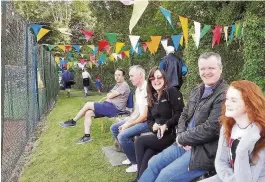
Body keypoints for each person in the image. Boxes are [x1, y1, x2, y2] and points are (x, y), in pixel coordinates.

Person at [139, 52, 228, 182]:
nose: (206, 72)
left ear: (220, 68)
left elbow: (212, 128)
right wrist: (181, 135)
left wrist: (183, 137)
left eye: (211, 68)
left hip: (204, 151)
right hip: (183, 142)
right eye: (202, 68)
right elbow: (183, 115)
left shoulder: (225, 94)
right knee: (153, 163)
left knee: (165, 176)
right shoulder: (197, 90)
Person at [200, 80, 265, 182]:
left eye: (233, 100)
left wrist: (242, 150)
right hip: (229, 177)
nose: (227, 103)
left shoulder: (260, 135)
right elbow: (221, 162)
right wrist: (230, 179)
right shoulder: (228, 126)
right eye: (227, 99)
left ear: (249, 105)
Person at [135, 67, 184, 180]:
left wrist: (166, 125)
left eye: (159, 77)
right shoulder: (152, 96)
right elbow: (149, 119)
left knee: (140, 141)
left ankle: (139, 178)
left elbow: (180, 113)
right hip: (158, 136)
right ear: (150, 81)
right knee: (148, 153)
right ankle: (141, 178)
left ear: (164, 78)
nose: (156, 81)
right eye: (153, 78)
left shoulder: (171, 91)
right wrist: (153, 126)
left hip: (172, 135)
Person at [60, 68, 130, 144]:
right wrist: (111, 94)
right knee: (88, 113)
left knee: (88, 104)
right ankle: (87, 136)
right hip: (108, 106)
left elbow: (110, 95)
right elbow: (109, 94)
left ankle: (73, 121)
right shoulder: (117, 85)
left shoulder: (124, 85)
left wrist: (111, 95)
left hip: (114, 108)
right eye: (115, 75)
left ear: (123, 76)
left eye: (119, 75)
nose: (117, 77)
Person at [110, 65, 150, 173]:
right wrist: (129, 120)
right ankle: (130, 154)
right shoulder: (137, 89)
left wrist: (128, 124)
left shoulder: (148, 88)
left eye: (132, 76)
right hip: (140, 118)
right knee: (114, 127)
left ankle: (136, 163)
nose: (130, 78)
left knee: (122, 135)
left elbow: (145, 116)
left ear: (141, 75)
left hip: (148, 122)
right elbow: (137, 111)